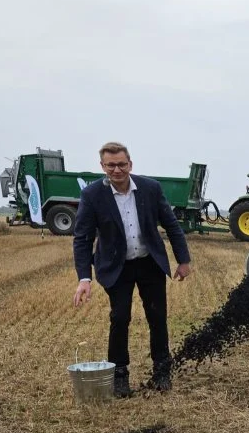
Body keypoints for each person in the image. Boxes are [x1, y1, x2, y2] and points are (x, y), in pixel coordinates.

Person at [73, 141, 192, 397]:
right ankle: (119, 375)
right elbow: (82, 238)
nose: (117, 170)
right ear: (102, 166)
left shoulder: (150, 188)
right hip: (117, 266)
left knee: (157, 317)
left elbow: (171, 225)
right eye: (111, 165)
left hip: (149, 263)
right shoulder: (92, 195)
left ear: (130, 164)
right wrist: (85, 277)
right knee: (120, 318)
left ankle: (162, 371)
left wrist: (183, 260)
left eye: (122, 164)